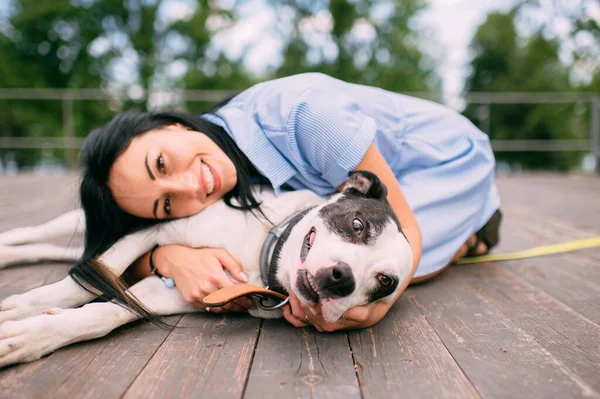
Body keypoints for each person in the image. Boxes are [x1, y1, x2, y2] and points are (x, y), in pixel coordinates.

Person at [71, 73, 501, 332]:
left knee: (393, 266)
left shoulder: (306, 114)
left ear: (169, 124)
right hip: (350, 189)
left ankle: (476, 227)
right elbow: (137, 243)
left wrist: (376, 311)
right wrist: (167, 257)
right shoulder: (220, 165)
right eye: (166, 205)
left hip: (442, 158)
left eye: (162, 163)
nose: (189, 188)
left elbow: (404, 229)